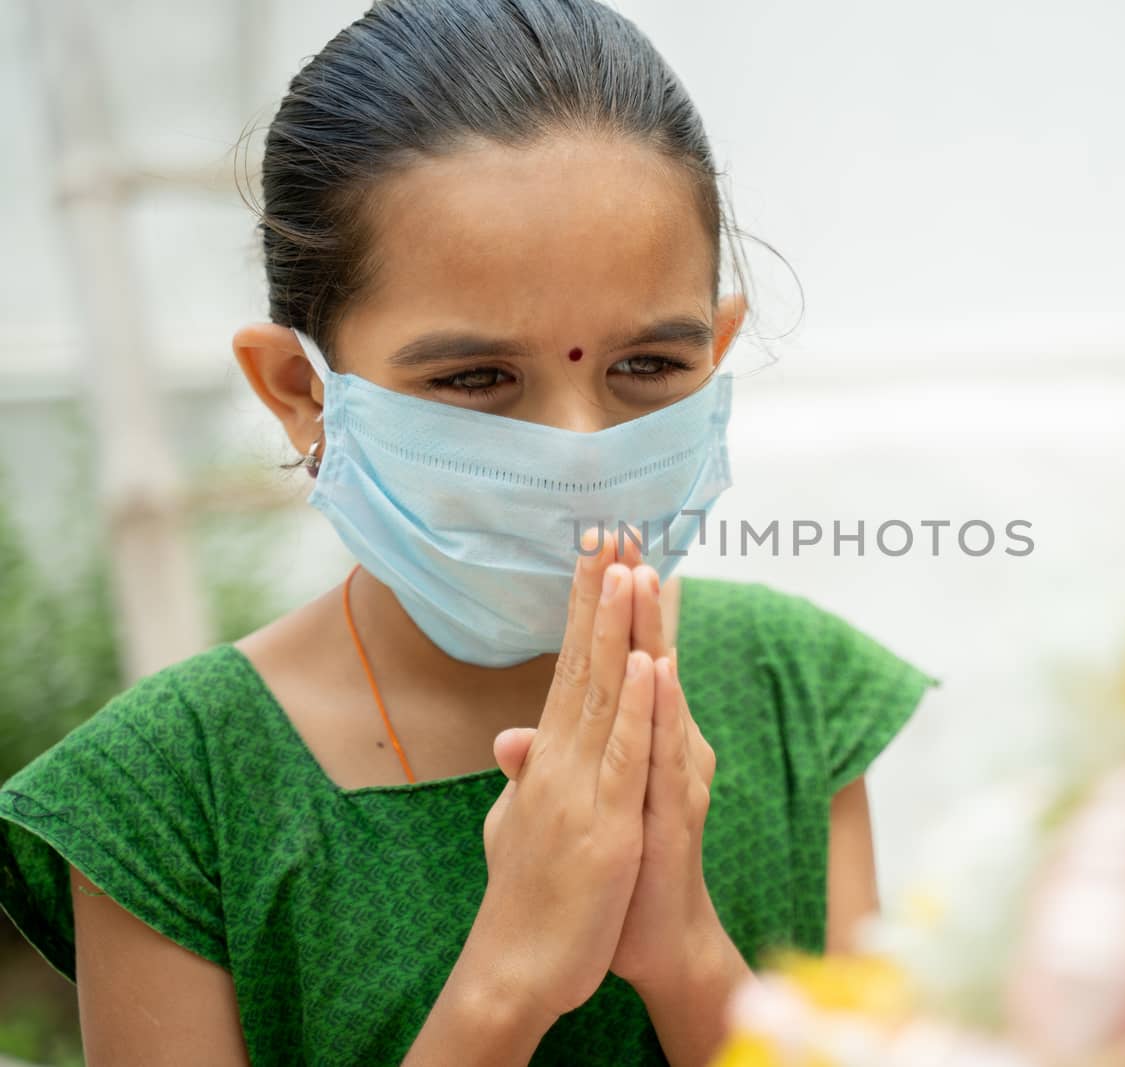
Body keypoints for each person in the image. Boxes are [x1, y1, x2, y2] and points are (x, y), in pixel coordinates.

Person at [0, 1, 935, 1063]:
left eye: (647, 367)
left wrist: (686, 956)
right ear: (301, 389)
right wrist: (505, 984)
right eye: (477, 378)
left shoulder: (791, 691)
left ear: (714, 352)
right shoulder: (168, 797)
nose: (580, 449)